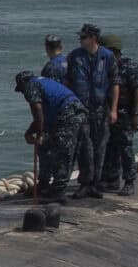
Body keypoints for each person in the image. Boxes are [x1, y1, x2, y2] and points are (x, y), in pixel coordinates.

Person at [63, 25, 117, 197]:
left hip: (101, 109)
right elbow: (67, 82)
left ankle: (96, 182)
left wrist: (114, 109)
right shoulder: (75, 56)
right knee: (84, 148)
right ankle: (85, 182)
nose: (81, 40)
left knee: (100, 148)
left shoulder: (107, 57)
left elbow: (115, 83)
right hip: (81, 110)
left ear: (93, 38)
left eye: (84, 37)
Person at [15, 70, 85, 200]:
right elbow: (41, 118)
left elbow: (38, 113)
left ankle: (58, 192)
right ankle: (44, 185)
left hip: (69, 114)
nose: (23, 93)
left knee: (63, 152)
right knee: (45, 148)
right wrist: (31, 131)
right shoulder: (43, 82)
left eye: (21, 90)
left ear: (23, 83)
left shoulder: (31, 85)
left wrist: (39, 134)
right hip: (67, 113)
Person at [103, 33, 138, 192]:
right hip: (108, 112)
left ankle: (129, 181)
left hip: (125, 112)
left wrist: (136, 114)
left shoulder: (129, 66)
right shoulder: (105, 67)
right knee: (109, 146)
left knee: (125, 147)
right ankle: (112, 178)